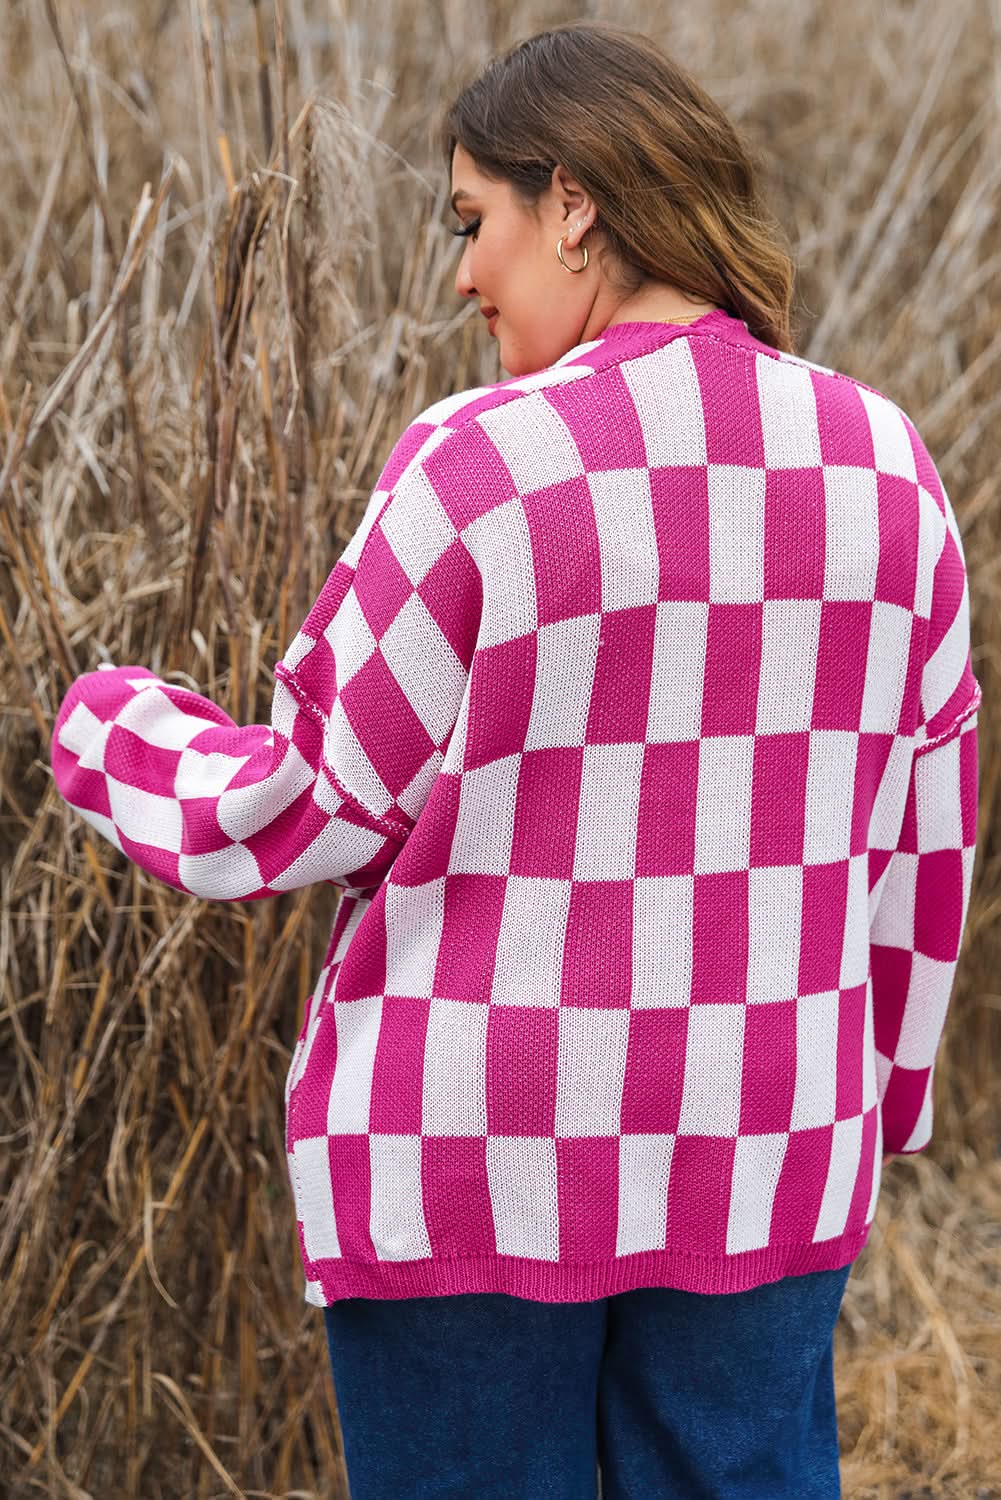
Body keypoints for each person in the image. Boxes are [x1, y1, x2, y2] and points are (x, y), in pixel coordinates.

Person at [50, 20, 981, 1500]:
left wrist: (102, 722)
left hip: (479, 1148)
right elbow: (924, 838)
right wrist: (880, 1094)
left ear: (577, 204)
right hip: (765, 1134)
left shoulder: (478, 464)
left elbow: (300, 810)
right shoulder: (885, 465)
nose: (463, 275)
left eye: (473, 220)